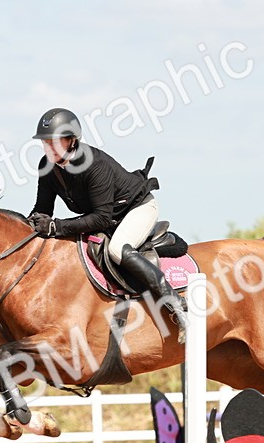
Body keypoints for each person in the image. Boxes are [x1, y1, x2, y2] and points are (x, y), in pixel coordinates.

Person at [26, 107, 188, 341]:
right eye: (45, 142)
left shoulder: (93, 165)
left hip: (136, 209)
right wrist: (30, 224)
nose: (49, 147)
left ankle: (178, 307)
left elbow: (100, 217)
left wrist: (56, 227)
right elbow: (43, 209)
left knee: (117, 249)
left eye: (54, 141)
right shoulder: (47, 166)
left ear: (72, 141)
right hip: (108, 216)